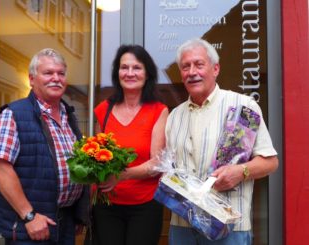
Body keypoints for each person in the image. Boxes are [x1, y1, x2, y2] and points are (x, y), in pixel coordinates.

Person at [165, 38, 278, 245]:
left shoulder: (244, 106)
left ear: (215, 69)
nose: (192, 72)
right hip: (182, 226)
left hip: (228, 227)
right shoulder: (174, 116)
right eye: (185, 66)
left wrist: (241, 171)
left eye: (199, 64)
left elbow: (270, 162)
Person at [0, 48, 90, 244]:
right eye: (48, 73)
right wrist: (29, 216)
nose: (56, 78)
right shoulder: (14, 114)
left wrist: (78, 213)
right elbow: (0, 169)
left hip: (64, 222)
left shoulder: (68, 116)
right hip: (29, 226)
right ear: (31, 79)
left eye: (61, 73)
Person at [90, 44, 169, 245]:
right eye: (124, 67)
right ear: (117, 73)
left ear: (147, 73)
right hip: (107, 205)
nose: (130, 73)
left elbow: (157, 163)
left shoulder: (158, 110)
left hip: (145, 206)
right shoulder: (103, 110)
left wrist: (122, 175)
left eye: (137, 68)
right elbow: (97, 159)